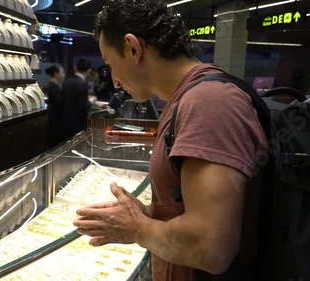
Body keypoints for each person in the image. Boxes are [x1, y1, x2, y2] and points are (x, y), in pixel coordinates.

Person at [73, 1, 267, 280]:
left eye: (111, 64)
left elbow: (210, 245)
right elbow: (191, 205)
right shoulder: (186, 99)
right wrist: (148, 214)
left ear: (133, 48)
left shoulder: (210, 103)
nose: (114, 81)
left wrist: (136, 229)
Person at [62, 57, 93, 138]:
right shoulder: (82, 84)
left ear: (75, 68)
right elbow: (82, 106)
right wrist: (91, 101)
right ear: (89, 70)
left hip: (65, 121)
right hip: (78, 123)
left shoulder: (66, 82)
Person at [44, 64, 66, 147]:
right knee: (56, 141)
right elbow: (60, 101)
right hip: (56, 117)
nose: (64, 74)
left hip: (57, 116)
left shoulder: (56, 84)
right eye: (62, 72)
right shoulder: (53, 86)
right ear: (56, 73)